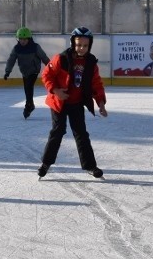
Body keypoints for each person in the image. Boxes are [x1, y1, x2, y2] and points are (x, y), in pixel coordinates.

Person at [37, 27, 107, 179]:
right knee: (58, 131)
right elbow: (46, 75)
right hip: (59, 102)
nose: (81, 48)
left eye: (85, 46)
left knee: (81, 133)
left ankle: (90, 166)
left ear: (90, 46)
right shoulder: (61, 59)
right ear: (72, 43)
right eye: (78, 45)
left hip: (76, 103)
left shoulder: (90, 63)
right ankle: (45, 164)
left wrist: (100, 103)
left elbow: (96, 84)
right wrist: (55, 90)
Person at [4, 27, 50, 118]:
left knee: (29, 87)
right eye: (20, 39)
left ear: (29, 39)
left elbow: (44, 57)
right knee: (27, 89)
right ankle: (30, 104)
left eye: (25, 39)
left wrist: (51, 67)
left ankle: (28, 106)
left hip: (34, 70)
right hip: (24, 71)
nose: (22, 41)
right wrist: (7, 71)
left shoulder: (35, 47)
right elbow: (11, 60)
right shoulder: (17, 48)